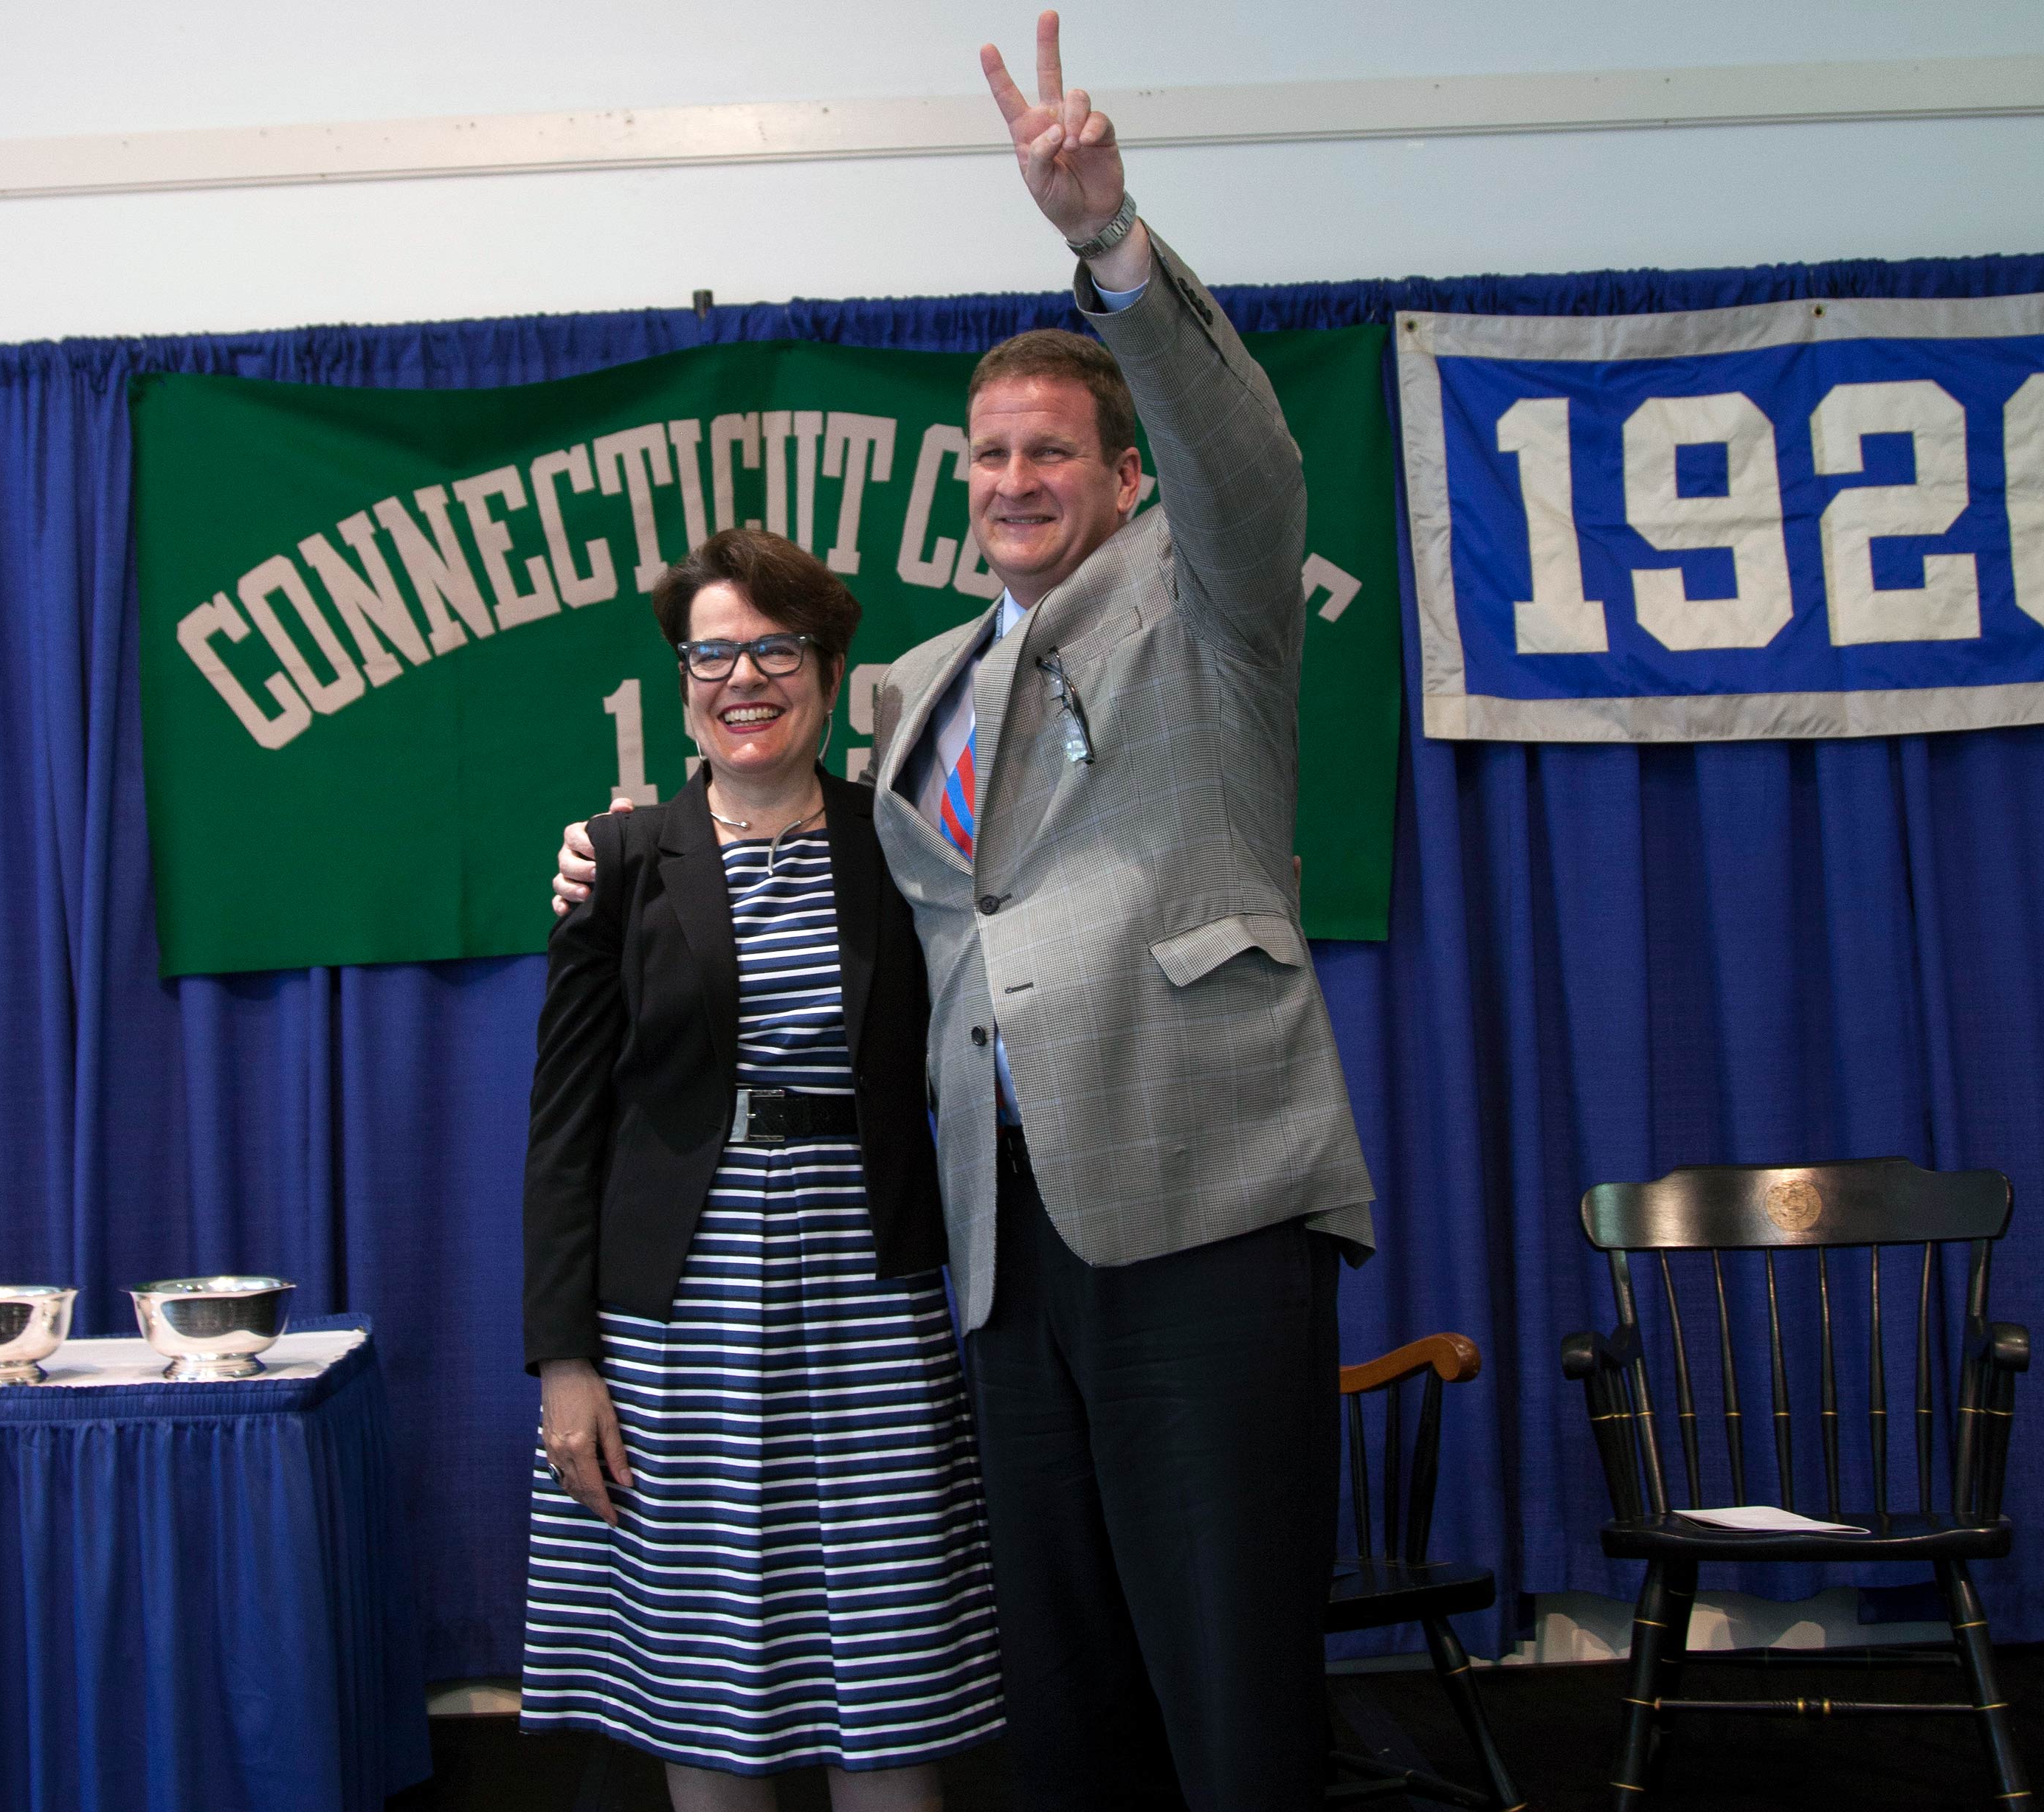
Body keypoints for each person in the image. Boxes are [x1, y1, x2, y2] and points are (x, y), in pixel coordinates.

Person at [556, 16, 1378, 1808]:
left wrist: (1111, 251)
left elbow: (1246, 464)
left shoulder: (1204, 603)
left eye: (1052, 452)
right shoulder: (920, 679)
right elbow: (828, 875)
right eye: (988, 453)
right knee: (1064, 1695)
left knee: (1228, 1690)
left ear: (1121, 475)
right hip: (999, 1246)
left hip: (1194, 1202)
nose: (1012, 478)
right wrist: (626, 848)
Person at [521, 528, 1001, 1811]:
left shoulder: (904, 845)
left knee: (892, 1673)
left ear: (830, 671)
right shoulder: (618, 863)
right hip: (680, 1321)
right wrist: (568, 1365)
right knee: (709, 1679)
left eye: (774, 648)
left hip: (873, 1296)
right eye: (712, 653)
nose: (745, 676)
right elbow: (564, 1130)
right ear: (683, 680)